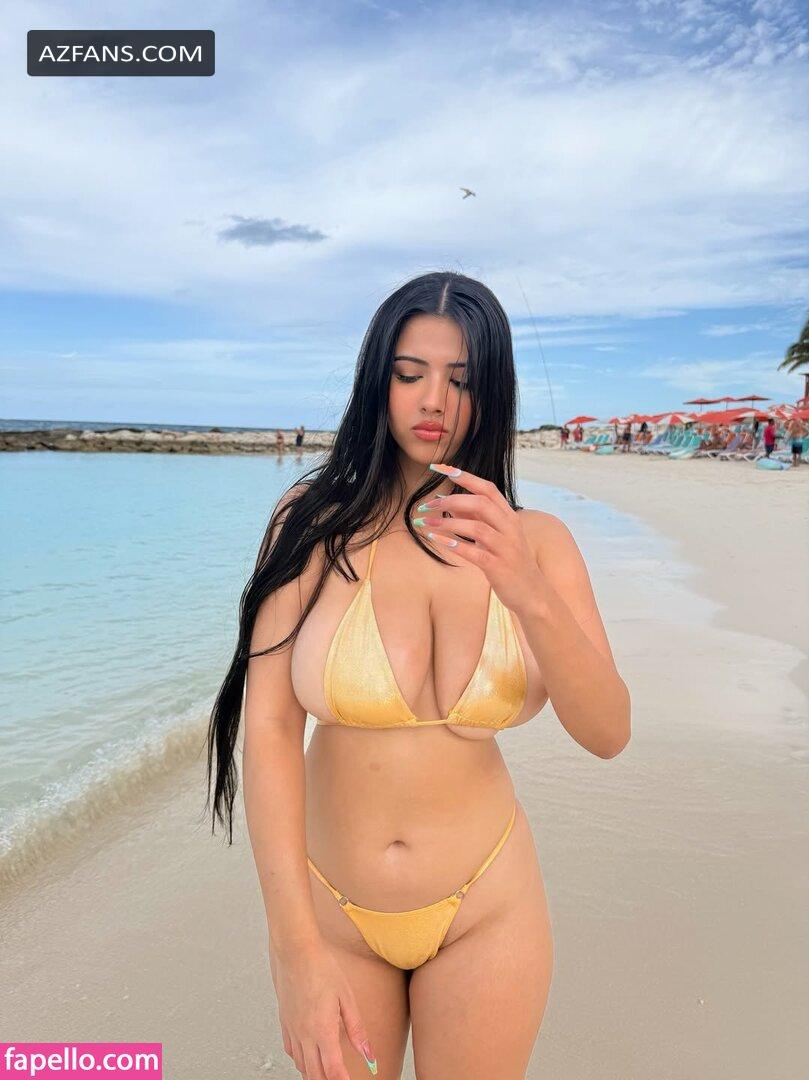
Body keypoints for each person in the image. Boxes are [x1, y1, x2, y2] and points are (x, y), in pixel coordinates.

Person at [206, 272, 630, 1079]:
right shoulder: (312, 524)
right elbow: (269, 727)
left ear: (492, 392)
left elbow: (608, 732)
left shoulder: (539, 543)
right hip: (332, 911)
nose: (433, 400)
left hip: (487, 907)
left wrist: (526, 588)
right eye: (410, 374)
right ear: (379, 381)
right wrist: (293, 948)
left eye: (460, 380)